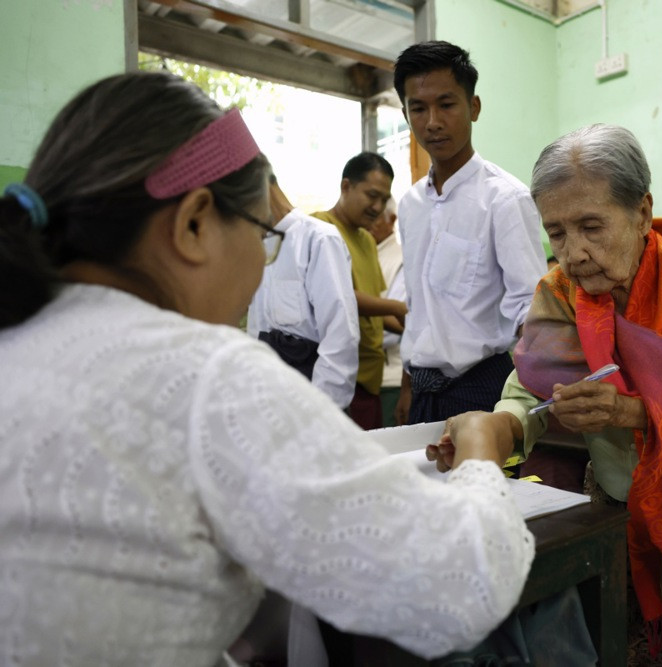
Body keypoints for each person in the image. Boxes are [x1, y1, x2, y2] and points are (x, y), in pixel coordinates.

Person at [0, 71, 534, 667]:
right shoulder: (208, 379)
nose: (261, 264)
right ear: (195, 223)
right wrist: (484, 453)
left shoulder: (19, 338)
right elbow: (462, 583)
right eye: (260, 236)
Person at [427, 124, 662, 666]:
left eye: (592, 226)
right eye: (556, 233)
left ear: (642, 211)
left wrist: (631, 410)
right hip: (615, 497)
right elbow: (529, 393)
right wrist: (499, 428)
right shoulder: (560, 292)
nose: (575, 253)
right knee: (622, 638)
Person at [393, 40, 547, 426]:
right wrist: (407, 386)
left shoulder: (505, 200)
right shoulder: (411, 206)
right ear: (405, 113)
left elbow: (530, 308)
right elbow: (417, 307)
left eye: (446, 104)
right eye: (418, 108)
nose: (432, 121)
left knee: (483, 488)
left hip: (482, 388)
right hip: (421, 391)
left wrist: (529, 402)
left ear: (473, 108)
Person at [247, 169, 359, 409]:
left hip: (313, 406)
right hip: (269, 402)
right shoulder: (255, 248)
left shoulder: (318, 239)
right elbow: (256, 333)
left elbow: (340, 337)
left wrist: (318, 412)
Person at [312, 152, 406, 430]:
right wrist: (397, 308)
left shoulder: (366, 240)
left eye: (384, 199)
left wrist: (410, 325)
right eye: (371, 195)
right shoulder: (320, 228)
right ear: (346, 186)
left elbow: (371, 309)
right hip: (336, 373)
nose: (377, 207)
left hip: (369, 377)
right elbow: (340, 296)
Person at [370, 196, 406, 426]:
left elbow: (402, 320)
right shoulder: (365, 252)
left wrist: (360, 311)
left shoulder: (401, 258)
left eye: (373, 217)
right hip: (364, 377)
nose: (365, 222)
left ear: (391, 219)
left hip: (391, 378)